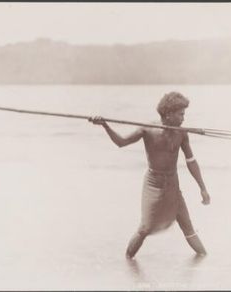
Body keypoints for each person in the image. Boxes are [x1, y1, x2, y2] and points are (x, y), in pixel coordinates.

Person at [89, 92, 210, 259]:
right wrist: (105, 125)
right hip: (153, 184)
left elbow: (191, 161)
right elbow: (121, 143)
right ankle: (128, 263)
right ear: (168, 114)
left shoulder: (181, 133)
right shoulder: (147, 129)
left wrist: (202, 188)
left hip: (173, 184)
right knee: (145, 228)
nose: (183, 118)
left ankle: (205, 259)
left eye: (184, 114)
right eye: (181, 114)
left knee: (187, 226)